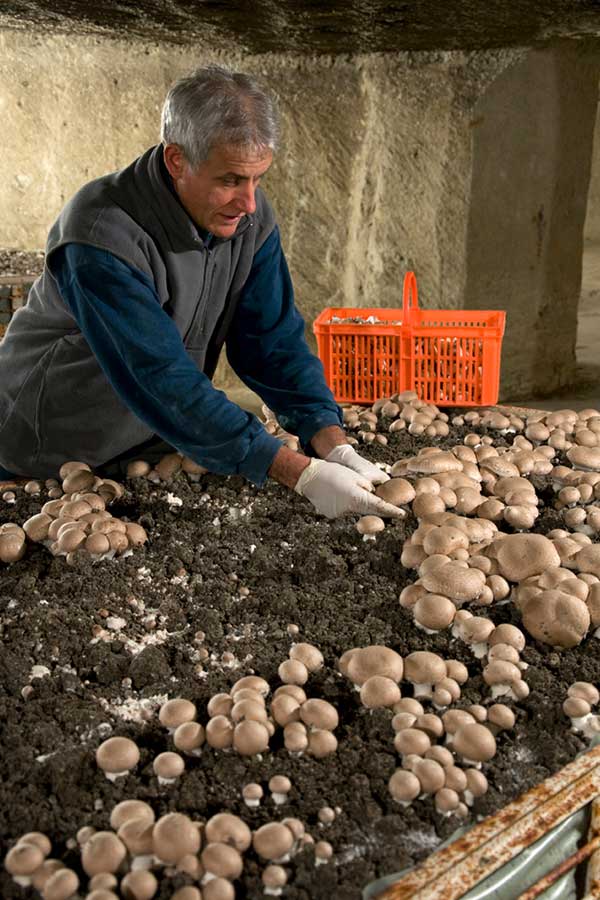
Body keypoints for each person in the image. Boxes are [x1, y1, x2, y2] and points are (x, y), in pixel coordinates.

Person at [0, 65, 401, 520]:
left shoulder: (247, 218)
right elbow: (157, 374)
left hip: (149, 433)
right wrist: (297, 473)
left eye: (258, 179)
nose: (248, 202)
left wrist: (330, 441)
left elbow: (271, 342)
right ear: (176, 160)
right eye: (230, 180)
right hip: (52, 442)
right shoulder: (100, 234)